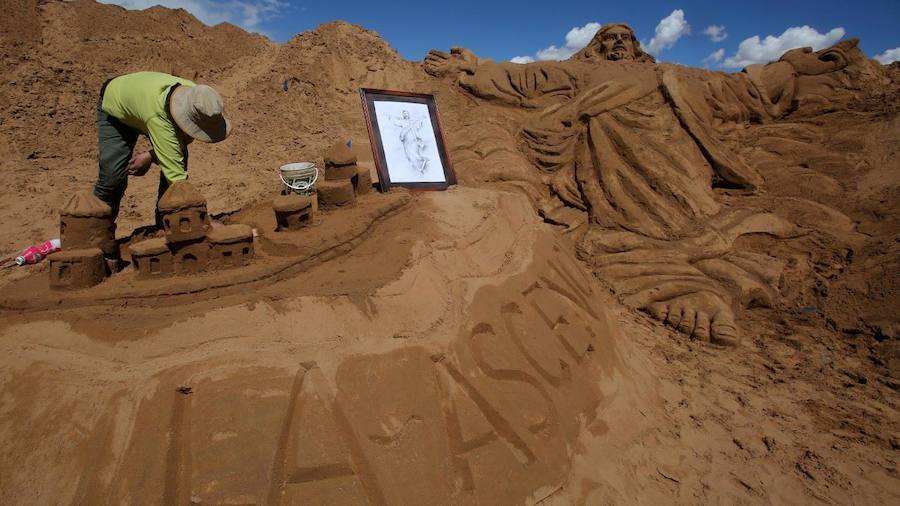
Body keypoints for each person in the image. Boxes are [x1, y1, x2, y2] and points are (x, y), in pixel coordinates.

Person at [93, 71, 231, 238]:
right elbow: (178, 181)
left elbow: (181, 142)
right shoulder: (160, 118)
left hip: (142, 103)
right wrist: (204, 221)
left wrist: (151, 155)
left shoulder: (199, 98)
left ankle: (165, 222)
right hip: (115, 107)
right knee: (112, 176)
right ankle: (97, 232)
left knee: (177, 154)